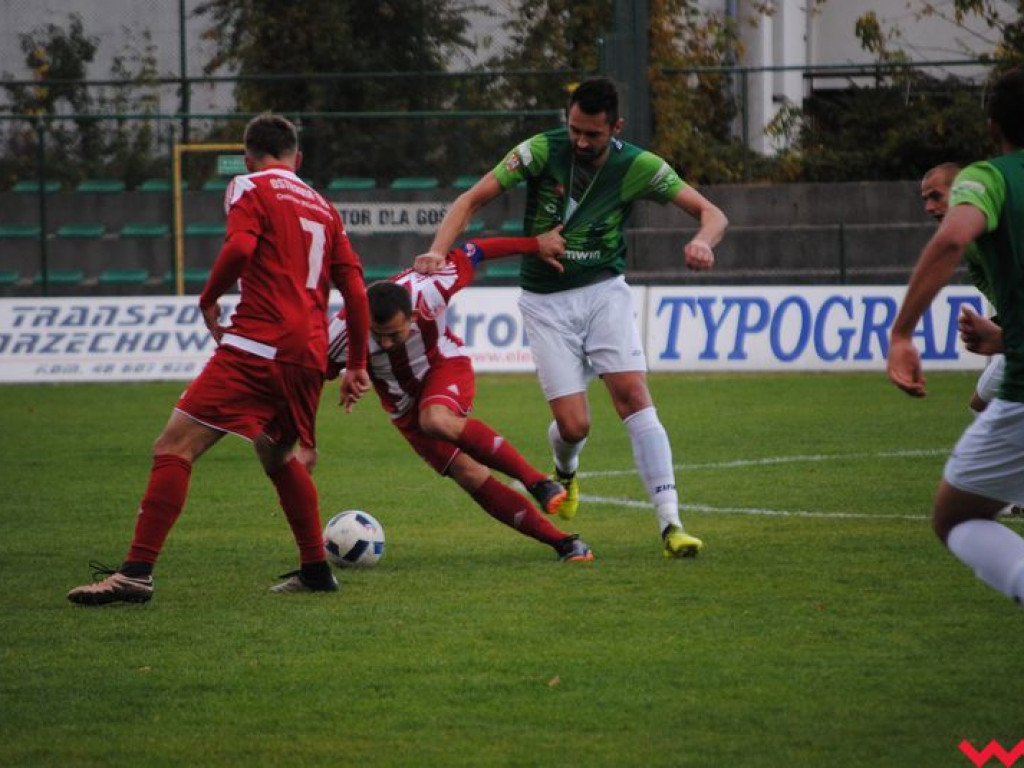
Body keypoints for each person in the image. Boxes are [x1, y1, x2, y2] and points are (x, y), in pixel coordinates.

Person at [415, 76, 728, 558]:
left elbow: (711, 212)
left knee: (632, 394)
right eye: (575, 130)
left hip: (604, 291)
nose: (580, 141)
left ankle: (671, 523)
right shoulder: (540, 150)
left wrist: (703, 240)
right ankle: (565, 470)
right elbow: (471, 200)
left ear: (616, 127)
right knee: (574, 425)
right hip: (545, 301)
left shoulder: (638, 165)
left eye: (592, 134)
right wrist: (438, 252)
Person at [67, 113, 371, 605]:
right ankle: (316, 569)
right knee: (276, 454)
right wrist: (356, 362)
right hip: (307, 356)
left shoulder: (248, 186)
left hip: (258, 344)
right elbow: (356, 290)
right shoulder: (323, 205)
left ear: (248, 156)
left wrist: (208, 297)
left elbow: (240, 247)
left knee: (174, 446)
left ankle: (136, 574)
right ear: (298, 158)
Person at [327, 231, 594, 562]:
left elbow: (476, 250)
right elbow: (310, 375)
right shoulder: (341, 333)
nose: (384, 344)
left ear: (411, 317)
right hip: (403, 408)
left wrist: (534, 245)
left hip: (445, 367)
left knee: (436, 418)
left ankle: (537, 481)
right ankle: (564, 543)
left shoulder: (430, 289)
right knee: (469, 474)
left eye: (393, 335)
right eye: (377, 336)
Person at [887, 66, 1024, 605]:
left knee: (956, 517)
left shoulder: (987, 179)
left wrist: (902, 332)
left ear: (992, 129)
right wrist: (1001, 340)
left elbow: (951, 241)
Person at [920, 161, 1004, 413]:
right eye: (924, 199)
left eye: (936, 196)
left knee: (982, 406)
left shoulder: (998, 224)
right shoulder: (968, 245)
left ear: (961, 189)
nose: (929, 207)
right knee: (981, 405)